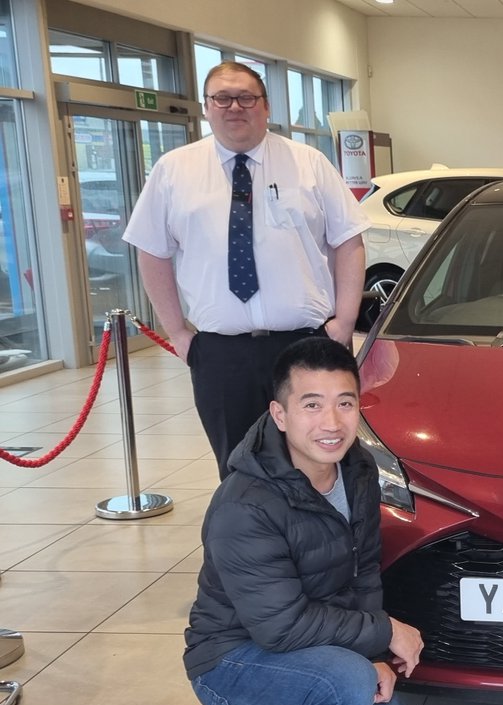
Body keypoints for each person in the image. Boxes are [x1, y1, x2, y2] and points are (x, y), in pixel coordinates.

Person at [184, 336, 425, 705]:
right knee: (343, 681)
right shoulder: (245, 504)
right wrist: (382, 633)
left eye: (345, 402)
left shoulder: (357, 470)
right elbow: (281, 627)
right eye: (311, 404)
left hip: (315, 646)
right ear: (280, 414)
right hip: (230, 657)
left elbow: (364, 573)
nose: (331, 422)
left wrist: (377, 656)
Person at [124, 61, 370, 479]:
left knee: (320, 463)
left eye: (246, 97)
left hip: (305, 344)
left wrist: (344, 322)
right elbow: (152, 252)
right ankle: (251, 545)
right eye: (222, 97)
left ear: (266, 106)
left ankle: (319, 543)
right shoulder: (173, 170)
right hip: (222, 353)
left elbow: (348, 241)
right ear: (207, 107)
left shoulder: (308, 163)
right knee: (238, 469)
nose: (234, 106)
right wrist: (180, 334)